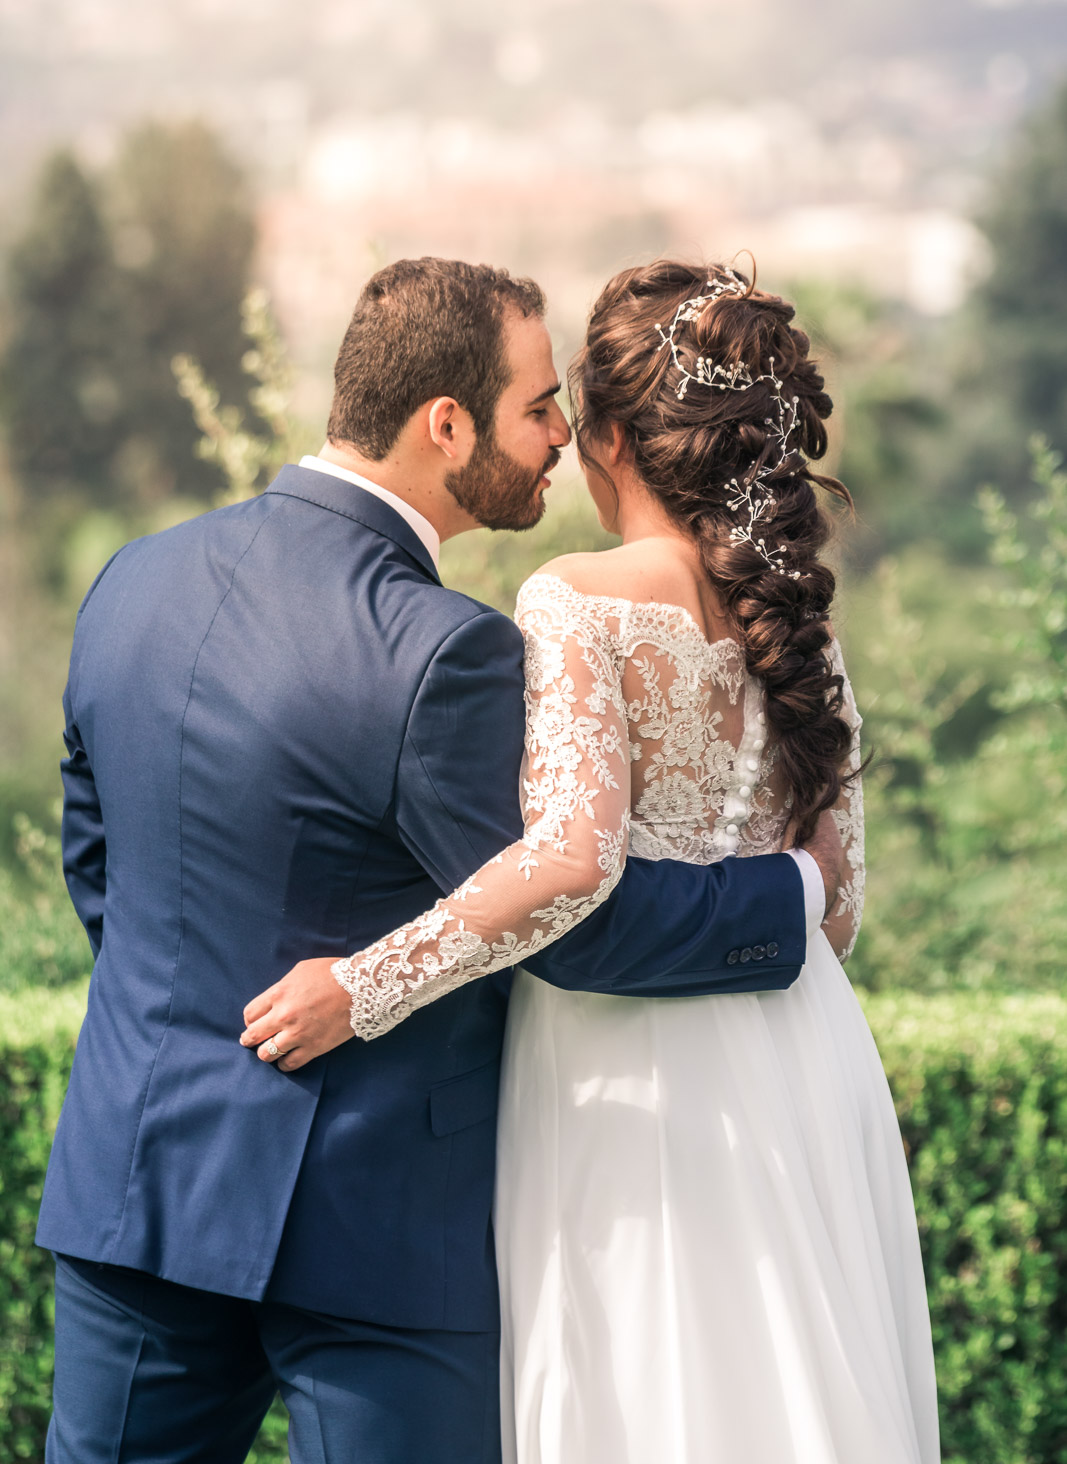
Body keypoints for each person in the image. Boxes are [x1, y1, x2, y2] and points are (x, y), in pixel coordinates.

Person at [40, 258, 836, 1464]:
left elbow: (96, 861)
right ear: (445, 423)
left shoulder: (129, 582)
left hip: (136, 1188)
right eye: (536, 407)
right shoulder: (444, 651)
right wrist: (792, 893)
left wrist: (195, 1026)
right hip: (378, 1234)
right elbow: (584, 917)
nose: (563, 436)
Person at [249, 261, 940, 1463]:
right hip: (805, 1050)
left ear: (616, 438)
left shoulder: (574, 598)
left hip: (627, 1077)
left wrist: (361, 985)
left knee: (645, 1387)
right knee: (797, 1380)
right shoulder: (799, 623)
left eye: (574, 414)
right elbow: (834, 908)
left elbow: (571, 862)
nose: (562, 437)